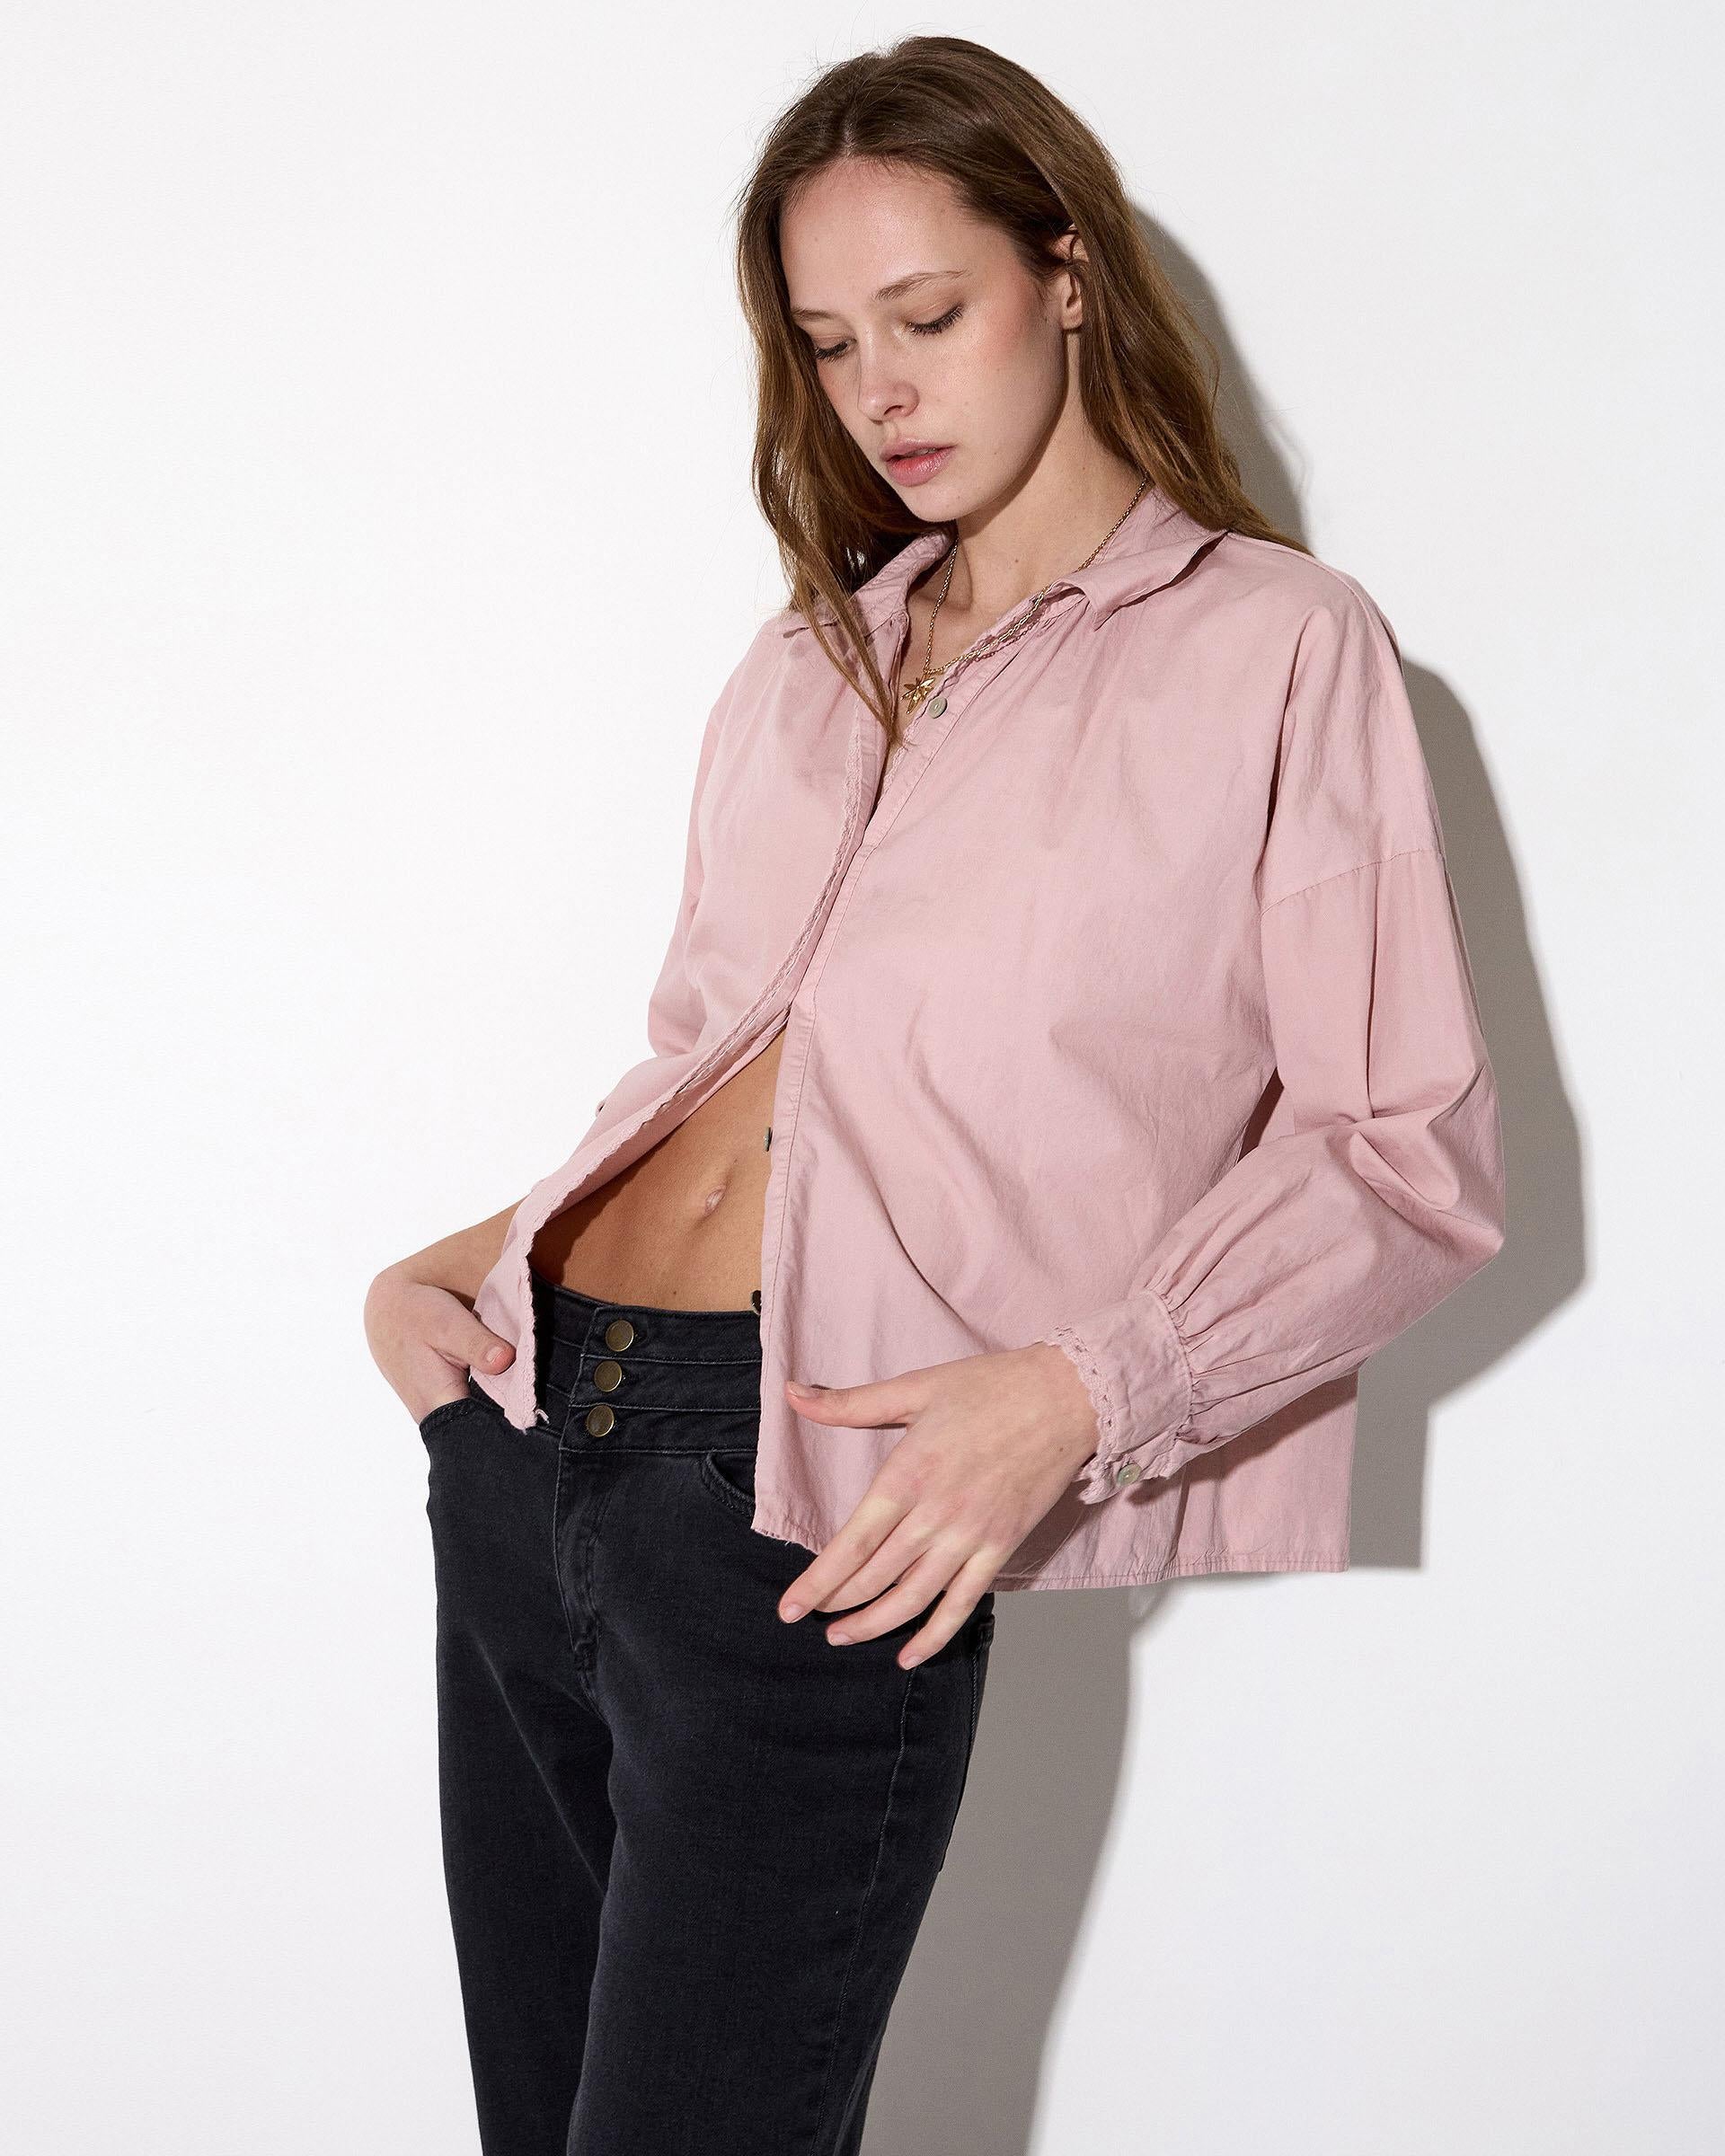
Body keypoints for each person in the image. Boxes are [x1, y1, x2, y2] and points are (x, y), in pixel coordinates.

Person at [364, 33, 1507, 2156]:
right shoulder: (800, 668)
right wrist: (458, 1276)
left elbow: (1402, 1151)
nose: (877, 390)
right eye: (825, 345)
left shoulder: (1274, 647)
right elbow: (731, 1071)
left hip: (818, 1508)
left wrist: (1083, 1391)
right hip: (534, 1453)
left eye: (926, 314)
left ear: (1065, 274)